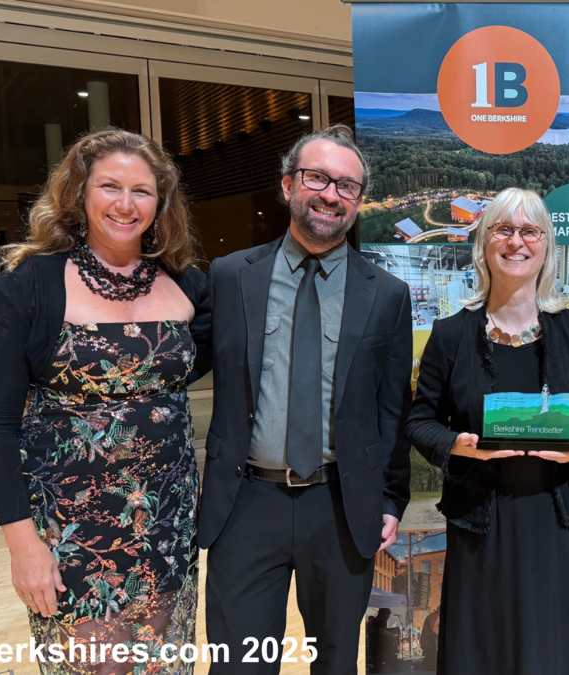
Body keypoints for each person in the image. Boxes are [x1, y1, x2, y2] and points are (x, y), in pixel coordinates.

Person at [0, 128, 206, 673]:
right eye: (110, 187)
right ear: (79, 193)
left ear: (161, 202)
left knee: (163, 664)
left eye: (142, 191)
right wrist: (22, 546)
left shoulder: (186, 283)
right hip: (72, 535)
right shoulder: (28, 285)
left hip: (165, 524)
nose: (126, 205)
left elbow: (201, 359)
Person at [189, 124, 412, 675]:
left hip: (341, 506)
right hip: (245, 503)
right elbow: (176, 362)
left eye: (348, 186)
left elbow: (392, 410)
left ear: (359, 201)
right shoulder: (229, 277)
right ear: (287, 185)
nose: (332, 194)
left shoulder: (385, 293)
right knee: (238, 664)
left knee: (335, 661)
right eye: (318, 178)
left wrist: (391, 499)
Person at [406, 187, 569, 675]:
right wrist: (454, 446)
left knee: (560, 652)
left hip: (561, 521)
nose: (516, 242)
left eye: (530, 231)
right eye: (503, 229)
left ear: (546, 246)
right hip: (483, 524)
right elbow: (420, 421)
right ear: (484, 243)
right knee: (487, 650)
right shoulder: (451, 335)